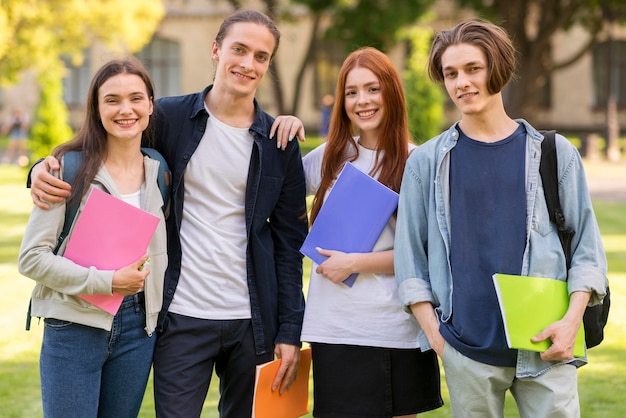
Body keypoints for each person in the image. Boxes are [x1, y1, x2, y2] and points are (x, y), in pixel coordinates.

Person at [29, 9, 308, 418]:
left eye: (261, 56)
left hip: (254, 320)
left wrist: (289, 330)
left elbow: (289, 244)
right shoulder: (169, 117)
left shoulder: (278, 141)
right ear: (216, 50)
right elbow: (107, 143)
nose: (248, 64)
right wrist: (40, 167)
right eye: (239, 49)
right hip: (180, 315)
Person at [394, 20, 608, 418]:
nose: (461, 83)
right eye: (450, 73)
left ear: (498, 68)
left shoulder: (555, 154)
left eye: (473, 69)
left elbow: (588, 254)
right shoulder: (426, 162)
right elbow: (410, 261)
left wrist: (570, 323)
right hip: (466, 349)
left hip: (547, 345)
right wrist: (438, 339)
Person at [18, 58, 168, 417]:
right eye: (112, 100)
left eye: (136, 98)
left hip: (138, 327)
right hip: (73, 326)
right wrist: (108, 282)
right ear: (97, 109)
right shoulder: (66, 169)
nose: (125, 109)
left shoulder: (159, 170)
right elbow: (32, 258)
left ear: (150, 104)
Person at [300, 47, 443, 418]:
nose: (361, 101)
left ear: (391, 93)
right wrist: (281, 125)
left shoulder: (418, 162)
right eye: (351, 92)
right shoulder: (329, 157)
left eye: (372, 89)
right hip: (336, 328)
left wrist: (355, 262)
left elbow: (428, 253)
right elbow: (269, 196)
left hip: (396, 326)